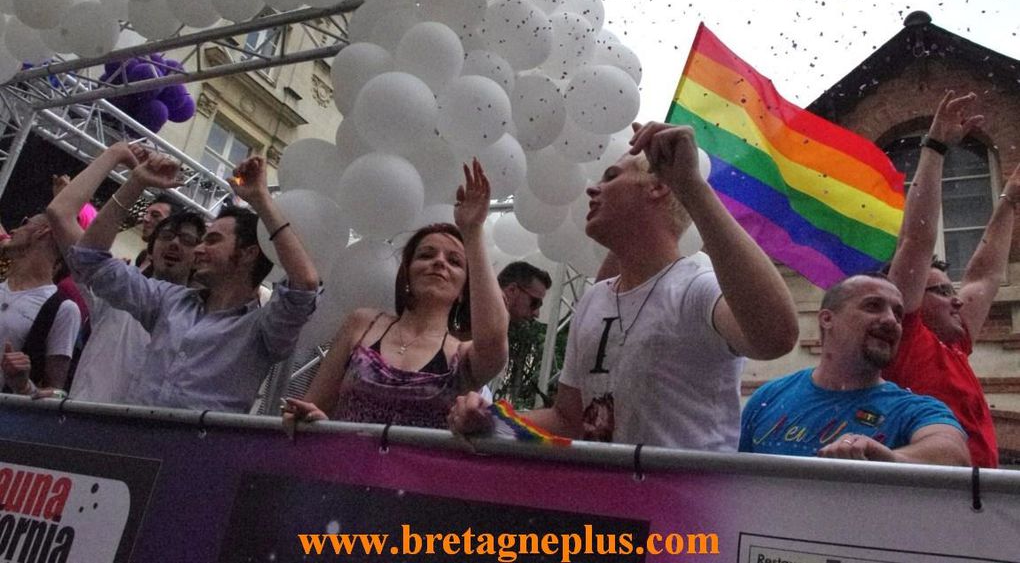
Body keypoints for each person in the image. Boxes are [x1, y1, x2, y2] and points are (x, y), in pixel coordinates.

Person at [449, 121, 799, 448]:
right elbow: (568, 419)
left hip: (685, 509)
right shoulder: (594, 299)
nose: (592, 187)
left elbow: (775, 337)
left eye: (611, 176)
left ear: (659, 187)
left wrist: (691, 185)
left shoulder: (697, 285)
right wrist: (490, 422)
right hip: (604, 507)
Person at [63, 147, 320, 412]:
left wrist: (261, 200)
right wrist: (137, 181)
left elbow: (306, 284)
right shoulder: (170, 301)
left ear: (248, 253)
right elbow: (89, 259)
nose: (198, 249)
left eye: (212, 240)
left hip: (197, 453)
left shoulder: (263, 329)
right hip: (130, 445)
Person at [283, 159, 509, 429]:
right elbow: (314, 406)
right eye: (426, 255)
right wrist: (309, 419)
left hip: (414, 472)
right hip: (344, 467)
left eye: (455, 262)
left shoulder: (464, 355)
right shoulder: (362, 324)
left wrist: (472, 231)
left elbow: (495, 338)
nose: (439, 263)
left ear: (463, 291)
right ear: (407, 274)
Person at [884, 90, 1018, 468]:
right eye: (941, 291)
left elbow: (986, 275)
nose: (957, 299)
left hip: (979, 502)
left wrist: (1009, 199)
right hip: (938, 504)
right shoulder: (907, 344)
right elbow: (917, 239)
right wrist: (935, 146)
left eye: (951, 290)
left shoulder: (954, 346)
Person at [739, 273, 969, 466]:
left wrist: (889, 459)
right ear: (827, 319)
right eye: (873, 306)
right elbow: (739, 482)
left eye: (898, 313)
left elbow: (953, 453)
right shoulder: (769, 397)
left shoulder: (911, 409)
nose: (891, 320)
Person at [46, 142, 205, 403]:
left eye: (187, 240)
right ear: (151, 250)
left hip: (140, 441)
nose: (175, 244)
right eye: (166, 236)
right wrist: (117, 154)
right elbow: (60, 213)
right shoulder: (115, 289)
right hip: (79, 429)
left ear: (200, 257)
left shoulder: (205, 320)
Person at [0, 213, 81, 395]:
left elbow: (56, 393)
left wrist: (23, 385)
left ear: (43, 232)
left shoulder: (63, 308)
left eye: (24, 223)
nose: (14, 230)